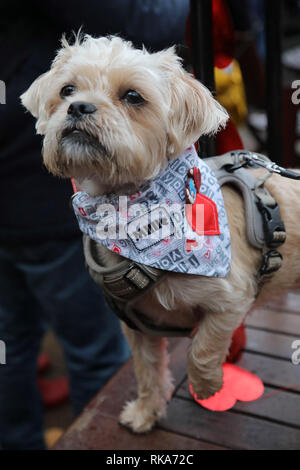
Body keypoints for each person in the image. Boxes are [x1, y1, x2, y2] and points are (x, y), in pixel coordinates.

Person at [0, 0, 189, 450]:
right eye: (68, 92)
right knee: (98, 353)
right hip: (46, 197)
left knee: (10, 348)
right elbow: (146, 19)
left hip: (26, 187)